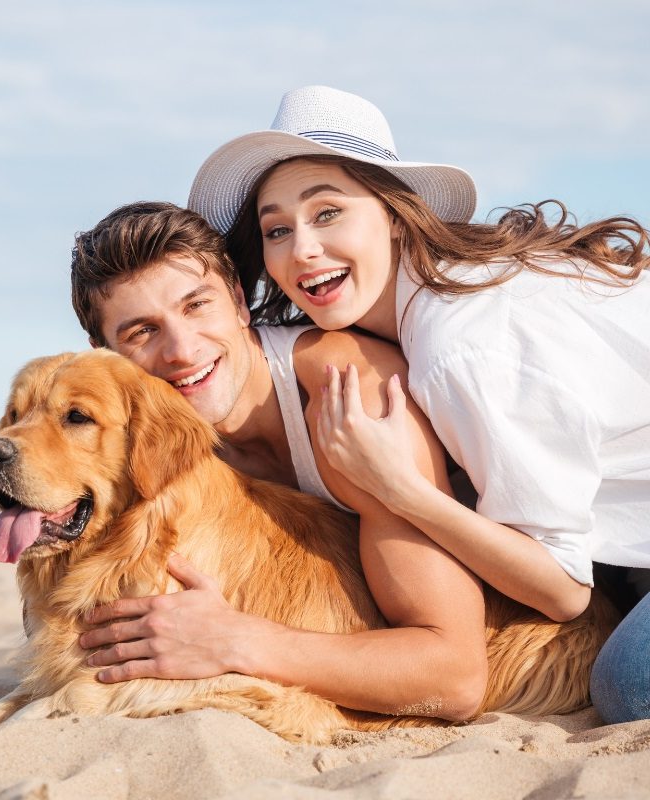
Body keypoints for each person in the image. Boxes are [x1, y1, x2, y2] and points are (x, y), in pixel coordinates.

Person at [186, 85, 650, 723]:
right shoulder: (441, 296)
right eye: (277, 229)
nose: (302, 250)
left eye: (327, 213)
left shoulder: (459, 347)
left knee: (629, 684)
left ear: (395, 215)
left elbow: (564, 592)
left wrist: (400, 489)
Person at [69, 200, 489, 721]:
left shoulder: (348, 396)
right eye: (142, 332)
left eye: (197, 305)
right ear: (103, 357)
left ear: (240, 302)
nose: (181, 349)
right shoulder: (155, 444)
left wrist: (234, 639)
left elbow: (455, 677)